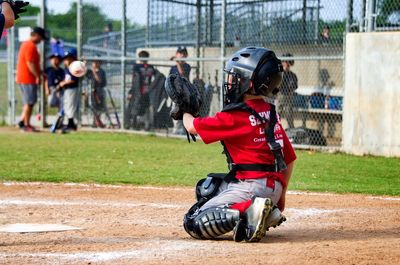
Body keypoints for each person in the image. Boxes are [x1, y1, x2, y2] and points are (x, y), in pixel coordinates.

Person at [181, 47, 296, 242]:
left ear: (247, 83)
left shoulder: (235, 116)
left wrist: (183, 110)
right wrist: (280, 195)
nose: (231, 82)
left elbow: (192, 126)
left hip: (252, 186)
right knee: (206, 189)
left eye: (235, 77)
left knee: (193, 222)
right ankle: (265, 211)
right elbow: (289, 158)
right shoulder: (271, 113)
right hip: (273, 186)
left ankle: (250, 212)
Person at [16, 26, 48, 132]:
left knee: (28, 102)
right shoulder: (30, 46)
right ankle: (26, 124)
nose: (41, 40)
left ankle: (22, 122)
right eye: (41, 37)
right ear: (36, 35)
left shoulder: (27, 45)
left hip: (25, 78)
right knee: (30, 102)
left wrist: (40, 73)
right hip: (27, 78)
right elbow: (30, 63)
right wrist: (37, 76)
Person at [126, 50, 155, 130]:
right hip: (141, 90)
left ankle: (142, 125)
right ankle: (137, 124)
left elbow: (134, 80)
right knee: (138, 107)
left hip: (141, 90)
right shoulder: (147, 67)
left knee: (142, 107)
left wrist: (131, 91)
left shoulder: (140, 67)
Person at [170, 46, 191, 134]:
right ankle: (176, 129)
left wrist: (177, 62)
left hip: (184, 93)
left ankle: (182, 130)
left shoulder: (187, 66)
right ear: (176, 54)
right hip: (175, 93)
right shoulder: (173, 67)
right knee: (175, 110)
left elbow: (182, 74)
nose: (182, 55)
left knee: (183, 111)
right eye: (180, 53)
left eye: (184, 54)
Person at [58, 49, 79, 131]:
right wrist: (62, 83)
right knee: (67, 106)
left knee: (70, 106)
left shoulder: (73, 68)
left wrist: (64, 83)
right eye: (66, 59)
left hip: (72, 89)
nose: (66, 61)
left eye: (69, 59)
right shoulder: (66, 69)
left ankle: (71, 124)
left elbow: (74, 79)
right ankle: (69, 123)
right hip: (67, 90)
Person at [87, 58, 110, 128]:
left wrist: (94, 72)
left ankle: (107, 122)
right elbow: (86, 76)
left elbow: (100, 81)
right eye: (93, 62)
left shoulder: (101, 72)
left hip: (99, 92)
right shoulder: (90, 72)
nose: (94, 64)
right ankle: (96, 122)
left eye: (96, 62)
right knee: (93, 107)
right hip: (92, 91)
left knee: (101, 107)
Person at [278, 53, 298, 129]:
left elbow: (294, 86)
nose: (286, 64)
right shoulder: (280, 74)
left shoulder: (292, 75)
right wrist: (283, 71)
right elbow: (278, 85)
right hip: (279, 96)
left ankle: (291, 131)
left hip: (289, 97)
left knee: (289, 115)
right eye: (285, 62)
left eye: (287, 63)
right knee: (277, 114)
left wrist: (290, 89)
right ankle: (275, 130)